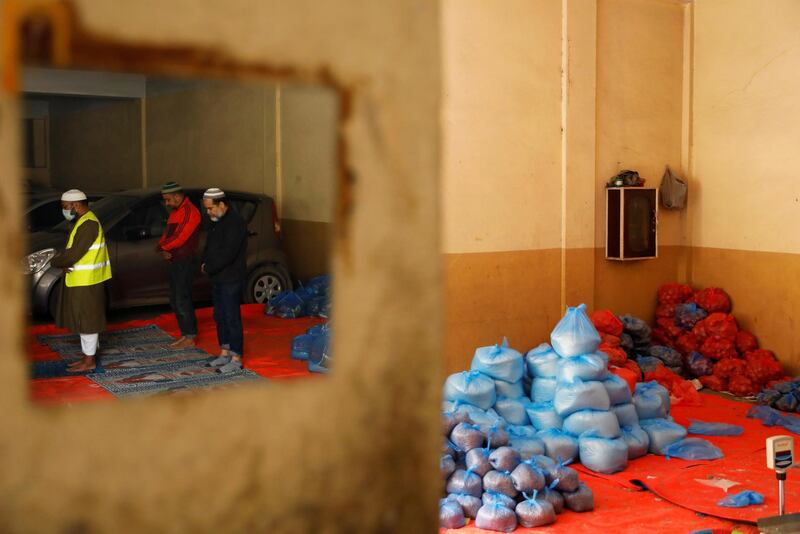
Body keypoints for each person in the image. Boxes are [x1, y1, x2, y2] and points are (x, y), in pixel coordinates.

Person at [50, 189, 112, 373]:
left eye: (66, 207)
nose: (65, 210)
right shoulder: (83, 221)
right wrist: (64, 262)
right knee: (83, 320)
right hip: (81, 280)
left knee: (88, 321)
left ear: (76, 205)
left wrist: (56, 261)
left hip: (87, 281)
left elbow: (74, 254)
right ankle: (87, 357)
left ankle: (89, 360)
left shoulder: (88, 224)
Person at [201, 188, 248, 373]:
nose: (208, 212)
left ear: (221, 205)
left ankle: (236, 358)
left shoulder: (235, 223)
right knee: (219, 316)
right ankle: (225, 352)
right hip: (218, 278)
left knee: (231, 317)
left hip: (231, 278)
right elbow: (209, 246)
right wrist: (204, 262)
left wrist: (210, 267)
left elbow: (228, 253)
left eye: (210, 208)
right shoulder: (216, 221)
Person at [157, 181, 202, 349]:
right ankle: (185, 334)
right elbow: (167, 234)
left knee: (182, 298)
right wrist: (163, 249)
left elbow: (181, 237)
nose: (167, 204)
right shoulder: (176, 212)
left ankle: (190, 336)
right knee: (175, 299)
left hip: (185, 261)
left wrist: (162, 247)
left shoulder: (191, 212)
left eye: (168, 200)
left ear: (177, 196)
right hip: (175, 261)